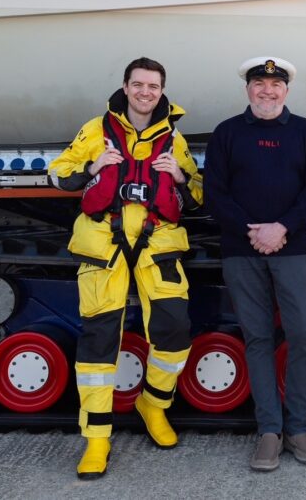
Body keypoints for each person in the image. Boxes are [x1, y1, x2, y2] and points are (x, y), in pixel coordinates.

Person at [48, 57, 203, 480]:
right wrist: (91, 168)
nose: (145, 92)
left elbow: (198, 195)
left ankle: (154, 404)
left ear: (161, 90)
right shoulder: (96, 130)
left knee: (174, 331)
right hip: (103, 243)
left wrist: (181, 179)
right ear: (126, 86)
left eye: (153, 86)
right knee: (98, 343)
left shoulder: (174, 138)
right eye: (139, 85)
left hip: (158, 244)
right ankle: (96, 440)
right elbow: (57, 174)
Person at [204, 56, 306, 472]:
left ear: (286, 91)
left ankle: (298, 428)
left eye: (275, 85)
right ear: (248, 89)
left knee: (303, 336)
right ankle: (269, 434)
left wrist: (281, 228)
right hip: (242, 252)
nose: (267, 91)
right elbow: (214, 195)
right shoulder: (227, 134)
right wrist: (252, 231)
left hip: (292, 250)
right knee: (257, 339)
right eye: (259, 83)